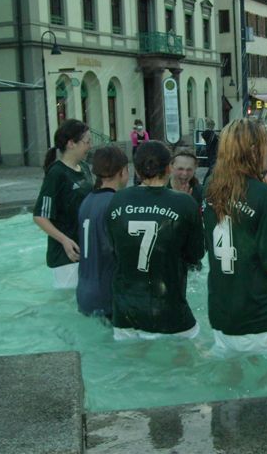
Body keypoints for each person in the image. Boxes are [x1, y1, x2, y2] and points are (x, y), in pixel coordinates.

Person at [203, 118, 267, 352]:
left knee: (231, 373)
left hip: (221, 314)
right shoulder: (265, 196)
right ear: (254, 150)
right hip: (261, 317)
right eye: (266, 143)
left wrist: (261, 185)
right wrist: (266, 194)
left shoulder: (210, 188)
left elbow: (239, 205)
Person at [105, 140, 205, 340]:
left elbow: (114, 247)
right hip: (169, 310)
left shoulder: (117, 200)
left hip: (125, 311)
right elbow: (196, 254)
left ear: (137, 170)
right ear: (169, 168)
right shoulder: (185, 202)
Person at [33, 119, 93, 289]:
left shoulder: (84, 168)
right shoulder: (57, 173)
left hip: (85, 249)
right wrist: (64, 240)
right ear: (71, 144)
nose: (90, 146)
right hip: (65, 255)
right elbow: (40, 216)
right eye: (87, 142)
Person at [76, 145, 129, 318]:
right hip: (107, 294)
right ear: (123, 171)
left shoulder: (87, 201)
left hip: (84, 293)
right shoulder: (116, 203)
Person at [130, 119, 150, 185]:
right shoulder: (133, 133)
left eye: (140, 125)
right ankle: (136, 181)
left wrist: (141, 137)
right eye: (138, 125)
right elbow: (134, 140)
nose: (139, 127)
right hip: (136, 149)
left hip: (143, 149)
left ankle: (143, 179)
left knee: (143, 165)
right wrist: (136, 132)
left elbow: (147, 140)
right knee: (136, 165)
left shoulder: (145, 133)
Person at [201, 118, 219, 184]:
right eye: (213, 125)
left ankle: (205, 182)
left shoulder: (210, 133)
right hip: (213, 152)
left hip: (211, 152)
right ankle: (206, 182)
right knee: (212, 168)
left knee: (212, 168)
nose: (213, 126)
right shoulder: (209, 133)